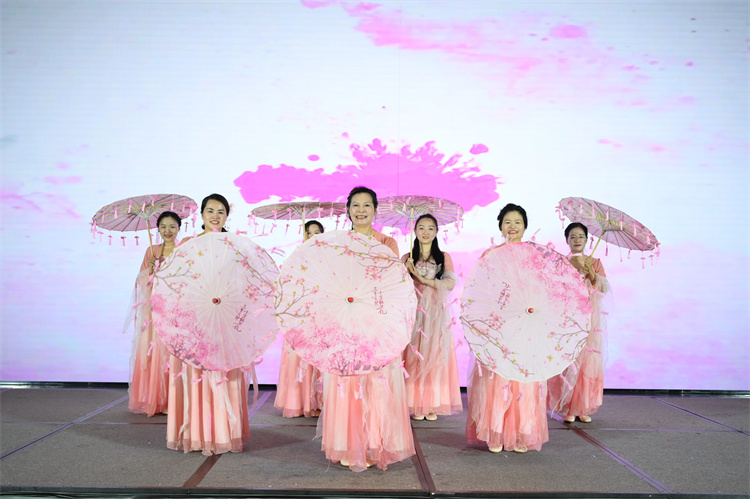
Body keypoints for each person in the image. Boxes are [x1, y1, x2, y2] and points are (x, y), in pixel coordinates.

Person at [317, 186, 415, 471]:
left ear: (374, 210)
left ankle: (373, 444)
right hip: (345, 321)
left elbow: (392, 283)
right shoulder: (336, 242)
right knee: (347, 381)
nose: (361, 210)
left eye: (366, 206)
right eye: (356, 205)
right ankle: (348, 443)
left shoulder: (387, 243)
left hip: (377, 321)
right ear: (348, 210)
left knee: (375, 382)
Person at [165, 194, 252, 455]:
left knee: (223, 374)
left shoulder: (234, 245)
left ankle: (224, 433)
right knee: (197, 375)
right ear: (202, 214)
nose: (215, 216)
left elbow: (243, 282)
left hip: (224, 319)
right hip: (195, 318)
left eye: (221, 211)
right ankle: (197, 434)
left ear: (227, 216)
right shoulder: (188, 245)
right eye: (210, 211)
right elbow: (177, 281)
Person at [465, 203, 549, 453]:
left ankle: (521, 433)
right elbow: (479, 288)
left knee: (523, 377)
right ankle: (496, 432)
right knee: (497, 377)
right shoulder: (490, 254)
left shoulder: (535, 256)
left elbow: (543, 289)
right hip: (498, 324)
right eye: (507, 222)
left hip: (526, 325)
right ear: (500, 226)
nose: (512, 226)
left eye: (517, 222)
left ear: (525, 226)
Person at [547, 222, 611, 423]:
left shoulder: (595, 262)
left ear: (587, 240)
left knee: (587, 362)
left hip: (589, 319)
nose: (577, 240)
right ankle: (567, 406)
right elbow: (553, 288)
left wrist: (590, 272)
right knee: (569, 361)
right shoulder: (562, 262)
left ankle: (582, 406)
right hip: (567, 319)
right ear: (567, 240)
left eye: (581, 236)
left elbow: (603, 289)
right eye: (573, 236)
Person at [402, 214, 462, 421]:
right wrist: (406, 272)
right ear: (415, 231)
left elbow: (449, 284)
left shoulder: (443, 257)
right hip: (413, 312)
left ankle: (432, 404)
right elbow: (397, 286)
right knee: (414, 354)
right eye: (421, 227)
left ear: (436, 232)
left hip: (436, 313)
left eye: (430, 228)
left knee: (434, 355)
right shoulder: (407, 257)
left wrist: (421, 278)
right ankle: (415, 403)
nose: (425, 232)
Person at [128, 211, 182, 416]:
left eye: (172, 226)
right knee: (155, 351)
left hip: (177, 308)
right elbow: (141, 282)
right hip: (156, 308)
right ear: (158, 229)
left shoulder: (182, 250)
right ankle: (157, 399)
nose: (168, 231)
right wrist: (150, 270)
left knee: (173, 353)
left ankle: (174, 400)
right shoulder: (152, 250)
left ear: (179, 228)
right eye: (163, 226)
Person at [274, 220, 325, 418]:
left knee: (318, 357)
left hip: (320, 313)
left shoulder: (328, 258)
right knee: (298, 357)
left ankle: (317, 401)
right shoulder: (295, 258)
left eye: (316, 232)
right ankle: (298, 402)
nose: (312, 236)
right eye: (308, 232)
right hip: (299, 314)